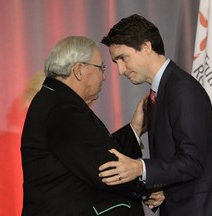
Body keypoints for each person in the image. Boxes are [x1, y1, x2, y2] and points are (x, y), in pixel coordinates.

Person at [98, 14, 212, 216]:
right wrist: (162, 188)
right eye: (115, 62)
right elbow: (176, 159)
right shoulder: (161, 92)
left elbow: (193, 161)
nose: (120, 70)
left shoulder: (181, 90)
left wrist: (140, 167)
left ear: (146, 47)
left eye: (123, 58)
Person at [21, 35, 160, 216]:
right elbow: (103, 168)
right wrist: (149, 187)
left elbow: (93, 154)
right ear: (79, 70)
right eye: (101, 68)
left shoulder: (56, 100)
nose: (104, 77)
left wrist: (135, 128)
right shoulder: (62, 108)